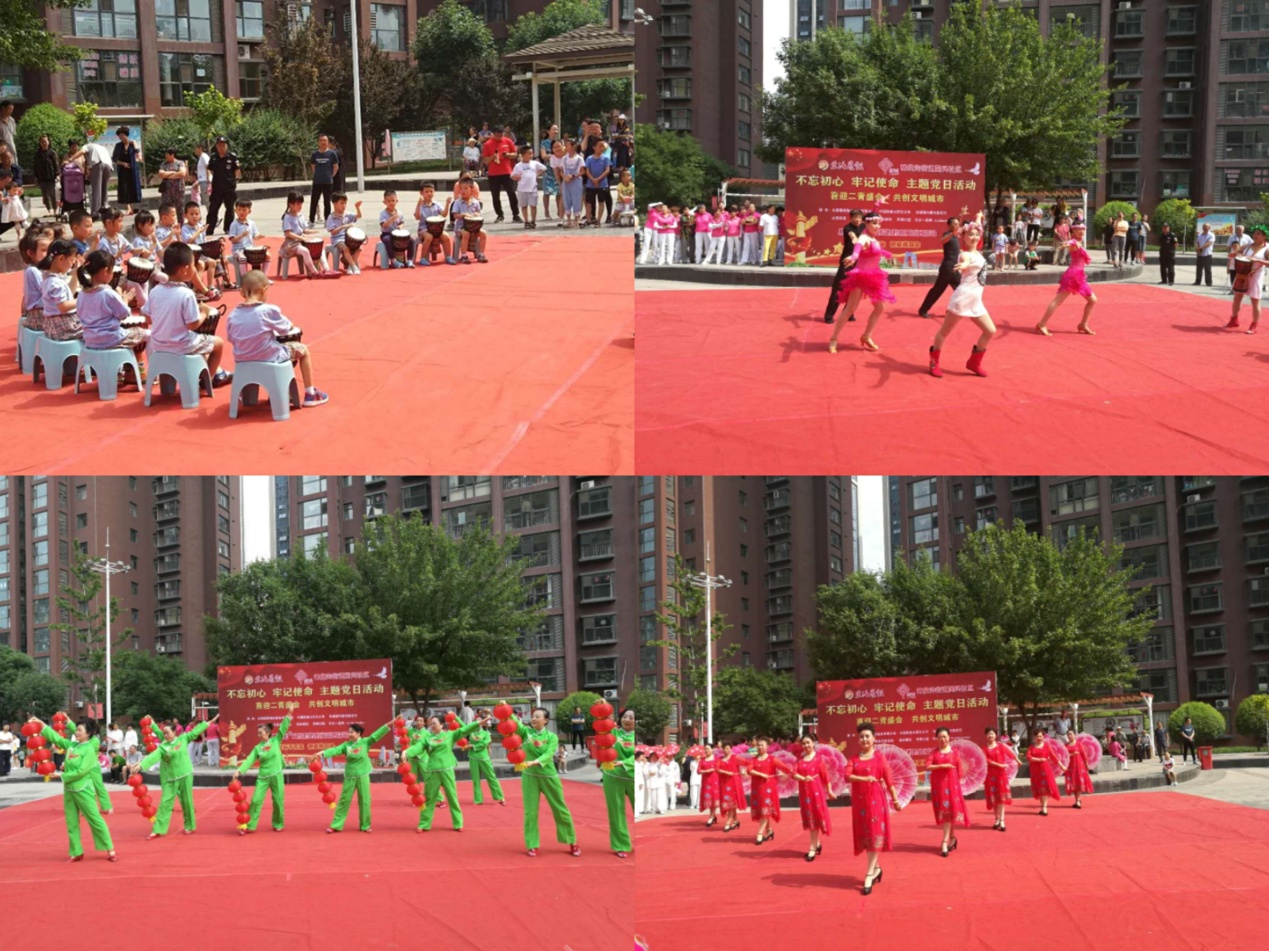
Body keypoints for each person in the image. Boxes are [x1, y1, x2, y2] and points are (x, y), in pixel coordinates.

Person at [227, 270, 330, 406]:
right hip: (269, 357)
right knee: (303, 350)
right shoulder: (268, 311)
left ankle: (245, 394)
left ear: (241, 292)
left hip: (242, 359)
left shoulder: (232, 315)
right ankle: (310, 394)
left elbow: (231, 338)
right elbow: (286, 328)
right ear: (264, 289)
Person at [28, 716, 118, 863]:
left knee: (95, 819)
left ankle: (110, 849)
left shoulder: (89, 749)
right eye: (76, 730)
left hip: (83, 789)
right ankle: (76, 852)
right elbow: (56, 739)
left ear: (88, 733)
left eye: (80, 730)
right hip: (69, 790)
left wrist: (61, 775)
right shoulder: (72, 746)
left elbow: (81, 771)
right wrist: (41, 724)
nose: (76, 732)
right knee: (71, 822)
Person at [143, 242, 232, 386]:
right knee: (218, 343)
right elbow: (192, 325)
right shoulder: (186, 294)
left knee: (197, 339)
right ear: (185, 270)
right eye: (193, 265)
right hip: (181, 345)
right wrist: (204, 312)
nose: (195, 269)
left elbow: (147, 318)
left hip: (158, 345)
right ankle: (208, 380)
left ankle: (171, 385)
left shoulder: (155, 291)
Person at [504, 708, 580, 857]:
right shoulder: (525, 732)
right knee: (530, 812)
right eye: (532, 716)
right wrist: (506, 709)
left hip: (548, 775)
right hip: (529, 776)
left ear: (545, 720)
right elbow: (513, 722)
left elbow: (549, 753)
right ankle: (532, 844)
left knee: (560, 809)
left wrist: (535, 762)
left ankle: (572, 841)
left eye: (537, 716)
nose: (533, 718)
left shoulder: (552, 737)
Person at [929, 216, 994, 379]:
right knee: (944, 332)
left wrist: (978, 217)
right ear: (963, 237)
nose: (974, 237)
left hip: (976, 301)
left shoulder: (977, 253)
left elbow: (976, 228)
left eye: (976, 234)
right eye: (970, 235)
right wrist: (963, 265)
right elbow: (965, 262)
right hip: (962, 299)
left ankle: (974, 363)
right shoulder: (965, 254)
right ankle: (934, 362)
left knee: (990, 331)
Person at [131, 715, 216, 838]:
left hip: (185, 774)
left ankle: (189, 825)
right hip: (171, 777)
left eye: (167, 733)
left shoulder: (183, 738)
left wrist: (208, 723)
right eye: (164, 733)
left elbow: (195, 732)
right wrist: (141, 764)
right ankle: (158, 829)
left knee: (187, 801)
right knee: (165, 803)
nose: (165, 735)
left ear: (175, 732)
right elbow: (153, 756)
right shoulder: (163, 746)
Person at [827, 211, 894, 354]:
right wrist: (853, 257)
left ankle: (866, 336)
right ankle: (833, 339)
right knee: (850, 309)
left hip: (873, 277)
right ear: (866, 223)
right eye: (874, 223)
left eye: (879, 224)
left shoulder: (874, 239)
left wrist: (877, 205)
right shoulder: (863, 237)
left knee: (880, 307)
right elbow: (857, 247)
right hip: (860, 277)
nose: (877, 226)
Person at [848, 721, 902, 895]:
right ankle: (877, 868)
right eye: (861, 737)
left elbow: (889, 780)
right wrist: (864, 779)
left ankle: (869, 873)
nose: (864, 739)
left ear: (874, 738)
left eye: (867, 736)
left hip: (876, 801)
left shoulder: (880, 758)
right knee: (866, 836)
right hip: (860, 803)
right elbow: (847, 775)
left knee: (874, 834)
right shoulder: (854, 759)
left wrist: (895, 800)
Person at [404, 715, 483, 832]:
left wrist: (478, 723)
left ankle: (458, 823)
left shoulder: (449, 735)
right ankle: (424, 824)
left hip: (447, 770)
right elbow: (418, 747)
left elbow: (463, 730)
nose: (432, 726)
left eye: (435, 723)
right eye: (431, 724)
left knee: (452, 797)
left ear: (441, 725)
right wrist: (407, 752)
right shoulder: (427, 738)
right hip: (432, 770)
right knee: (429, 799)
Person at [76, 250, 146, 376]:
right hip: (111, 339)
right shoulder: (108, 293)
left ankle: (120, 371)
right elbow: (124, 315)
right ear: (105, 271)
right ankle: (143, 373)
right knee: (148, 334)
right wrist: (125, 299)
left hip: (89, 340)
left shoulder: (82, 293)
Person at [318, 720, 393, 832]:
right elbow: (335, 750)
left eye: (352, 732)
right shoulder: (346, 745)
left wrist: (388, 724)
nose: (349, 734)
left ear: (358, 733)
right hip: (350, 775)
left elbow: (376, 735)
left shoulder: (365, 742)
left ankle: (365, 825)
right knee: (344, 800)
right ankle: (336, 825)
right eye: (348, 732)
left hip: (363, 774)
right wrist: (323, 753)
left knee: (365, 800)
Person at [232, 706, 296, 834]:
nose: (258, 735)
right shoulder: (258, 748)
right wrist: (239, 770)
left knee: (278, 801)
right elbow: (249, 760)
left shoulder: (276, 740)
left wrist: (289, 713)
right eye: (258, 733)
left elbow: (283, 728)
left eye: (260, 732)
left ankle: (278, 823)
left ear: (267, 733)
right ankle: (248, 825)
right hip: (263, 777)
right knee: (255, 801)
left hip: (276, 775)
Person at [1036, 222, 1097, 336]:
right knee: (1057, 301)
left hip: (1079, 276)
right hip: (1072, 276)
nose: (1081, 231)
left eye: (1083, 229)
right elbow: (1069, 242)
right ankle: (1042, 324)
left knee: (1092, 300)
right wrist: (1065, 244)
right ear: (1073, 230)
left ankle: (1083, 324)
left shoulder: (1079, 242)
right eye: (1078, 229)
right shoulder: (1073, 241)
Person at [927, 726, 969, 856]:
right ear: (936, 738)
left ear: (949, 737)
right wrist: (941, 766)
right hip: (939, 786)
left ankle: (944, 842)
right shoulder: (934, 753)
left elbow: (959, 771)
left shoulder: (955, 753)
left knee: (949, 812)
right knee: (946, 812)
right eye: (940, 737)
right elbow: (928, 766)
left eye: (945, 736)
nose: (943, 739)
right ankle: (953, 838)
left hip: (952, 786)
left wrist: (959, 785)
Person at [603, 708, 636, 858]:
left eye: (631, 717)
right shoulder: (613, 733)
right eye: (625, 716)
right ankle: (621, 845)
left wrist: (625, 762)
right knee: (616, 811)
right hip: (613, 776)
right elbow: (602, 726)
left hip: (633, 777)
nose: (627, 720)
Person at [916, 215, 961, 320]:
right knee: (937, 290)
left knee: (961, 290)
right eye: (954, 224)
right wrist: (952, 232)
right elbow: (942, 240)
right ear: (949, 226)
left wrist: (961, 215)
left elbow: (958, 224)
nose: (957, 226)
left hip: (955, 268)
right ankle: (923, 310)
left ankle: (951, 310)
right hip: (947, 269)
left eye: (957, 224)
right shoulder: (947, 234)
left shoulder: (955, 235)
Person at [1227, 226, 1269, 333]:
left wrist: (1257, 260)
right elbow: (1232, 254)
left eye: (1258, 233)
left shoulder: (1267, 248)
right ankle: (1234, 320)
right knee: (1237, 297)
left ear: (1264, 236)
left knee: (1255, 300)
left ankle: (1254, 325)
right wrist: (1234, 254)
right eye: (1254, 233)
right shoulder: (1247, 246)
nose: (1255, 235)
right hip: (1242, 275)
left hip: (1256, 276)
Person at [741, 737, 781, 846]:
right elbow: (749, 770)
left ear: (767, 747)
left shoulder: (772, 759)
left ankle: (760, 832)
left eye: (762, 745)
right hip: (757, 788)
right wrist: (761, 774)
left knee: (765, 808)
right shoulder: (753, 759)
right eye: (758, 745)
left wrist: (787, 773)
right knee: (763, 809)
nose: (760, 747)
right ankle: (769, 831)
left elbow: (784, 767)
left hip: (769, 787)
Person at [482, 125, 521, 223]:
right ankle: (499, 214)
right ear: (493, 134)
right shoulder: (487, 144)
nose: (499, 137)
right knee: (495, 195)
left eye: (500, 135)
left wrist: (508, 155)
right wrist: (493, 157)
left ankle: (515, 214)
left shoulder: (508, 141)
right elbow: (485, 160)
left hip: (507, 172)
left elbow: (515, 154)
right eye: (497, 135)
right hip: (493, 174)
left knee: (512, 193)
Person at [466, 710, 505, 806]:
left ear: (483, 723)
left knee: (491, 777)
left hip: (483, 757)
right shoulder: (470, 733)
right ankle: (478, 800)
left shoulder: (486, 733)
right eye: (476, 721)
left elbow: (485, 743)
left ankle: (500, 797)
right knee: (475, 780)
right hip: (473, 757)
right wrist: (455, 718)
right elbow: (463, 727)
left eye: (480, 721)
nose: (478, 723)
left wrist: (473, 746)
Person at [982, 727, 1017, 832]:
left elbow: (1010, 754)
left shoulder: (1001, 746)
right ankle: (996, 819)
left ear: (995, 735)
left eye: (992, 734)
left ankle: (1002, 820)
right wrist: (999, 765)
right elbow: (987, 761)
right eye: (988, 734)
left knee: (1001, 798)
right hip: (990, 776)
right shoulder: (984, 749)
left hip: (1001, 775)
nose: (990, 736)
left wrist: (1018, 760)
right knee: (994, 798)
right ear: (986, 736)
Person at [206, 136, 241, 236]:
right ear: (216, 146)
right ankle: (209, 229)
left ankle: (228, 228)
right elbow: (210, 170)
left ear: (226, 146)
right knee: (213, 209)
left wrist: (233, 181)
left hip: (229, 188)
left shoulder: (232, 157)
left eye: (223, 144)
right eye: (219, 145)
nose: (221, 146)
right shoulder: (213, 157)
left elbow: (237, 171)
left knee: (229, 208)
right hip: (217, 188)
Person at [325, 192, 363, 274]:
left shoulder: (347, 214)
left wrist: (357, 207)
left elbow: (359, 216)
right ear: (334, 204)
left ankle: (350, 267)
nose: (344, 205)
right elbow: (333, 232)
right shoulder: (331, 217)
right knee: (345, 248)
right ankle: (353, 266)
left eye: (345, 203)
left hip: (347, 238)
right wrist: (344, 226)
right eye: (341, 203)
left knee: (359, 248)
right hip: (337, 239)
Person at [511, 145, 547, 229]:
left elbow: (544, 168)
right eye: (529, 153)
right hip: (522, 189)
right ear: (523, 155)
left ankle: (533, 221)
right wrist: (516, 177)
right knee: (524, 206)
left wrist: (537, 174)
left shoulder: (534, 163)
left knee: (533, 205)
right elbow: (512, 175)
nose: (531, 155)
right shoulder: (518, 166)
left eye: (532, 153)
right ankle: (526, 221)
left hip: (532, 188)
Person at [1027, 730, 1062, 815]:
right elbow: (1028, 757)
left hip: (1045, 769)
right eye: (1038, 736)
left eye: (1041, 736)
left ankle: (1044, 807)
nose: (1039, 738)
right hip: (1035, 771)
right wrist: (1039, 759)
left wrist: (1061, 765)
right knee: (1039, 788)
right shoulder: (1032, 747)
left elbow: (1053, 756)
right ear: (1034, 737)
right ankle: (1043, 806)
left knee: (1045, 788)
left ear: (1043, 737)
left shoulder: (1046, 746)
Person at [717, 740, 747, 832]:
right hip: (724, 783)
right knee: (729, 802)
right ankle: (735, 821)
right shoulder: (720, 759)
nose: (726, 750)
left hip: (734, 782)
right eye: (724, 748)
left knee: (732, 802)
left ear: (731, 749)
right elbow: (717, 769)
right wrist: (726, 772)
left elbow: (747, 763)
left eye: (728, 748)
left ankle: (728, 821)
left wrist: (743, 770)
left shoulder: (735, 758)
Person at [309, 133, 339, 225]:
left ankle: (327, 220)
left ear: (327, 142)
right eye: (321, 140)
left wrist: (330, 176)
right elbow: (313, 166)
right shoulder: (315, 154)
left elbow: (336, 167)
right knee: (314, 201)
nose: (323, 142)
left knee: (327, 202)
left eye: (325, 140)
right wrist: (317, 174)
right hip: (317, 182)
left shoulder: (332, 154)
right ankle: (311, 220)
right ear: (318, 142)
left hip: (327, 182)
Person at [584, 139, 613, 227]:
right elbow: (587, 170)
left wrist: (598, 179)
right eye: (599, 146)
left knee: (601, 201)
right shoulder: (589, 158)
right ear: (594, 147)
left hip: (602, 184)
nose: (601, 148)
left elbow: (607, 170)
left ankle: (598, 220)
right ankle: (588, 219)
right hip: (590, 184)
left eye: (602, 146)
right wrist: (593, 179)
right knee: (588, 202)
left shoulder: (606, 158)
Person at [1063, 729, 1093, 808]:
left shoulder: (1079, 744)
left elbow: (1084, 755)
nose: (1069, 736)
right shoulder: (1066, 745)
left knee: (1078, 782)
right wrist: (1071, 754)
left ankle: (1078, 800)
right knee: (1074, 784)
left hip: (1079, 766)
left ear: (1074, 735)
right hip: (1070, 767)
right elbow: (1064, 756)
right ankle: (1077, 800)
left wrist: (1087, 765)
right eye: (1068, 734)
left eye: (1071, 734)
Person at [33, 134, 59, 216]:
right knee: (46, 194)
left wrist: (57, 174)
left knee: (53, 194)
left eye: (45, 141)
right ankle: (50, 210)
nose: (44, 143)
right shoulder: (37, 154)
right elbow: (35, 166)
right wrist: (36, 177)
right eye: (42, 142)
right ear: (40, 143)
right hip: (42, 177)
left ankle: (55, 209)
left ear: (48, 142)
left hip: (51, 177)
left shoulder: (52, 153)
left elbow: (56, 164)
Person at [698, 743, 721, 826]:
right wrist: (706, 771)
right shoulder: (702, 759)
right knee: (709, 799)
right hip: (706, 782)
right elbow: (698, 771)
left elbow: (718, 768)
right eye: (705, 749)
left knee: (714, 798)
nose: (706, 750)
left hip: (715, 781)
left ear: (712, 749)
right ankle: (713, 815)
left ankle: (711, 816)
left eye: (708, 748)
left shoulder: (716, 759)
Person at [192, 143, 210, 208]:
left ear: (200, 148)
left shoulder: (204, 156)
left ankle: (213, 214)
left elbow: (208, 167)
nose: (194, 150)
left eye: (195, 148)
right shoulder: (200, 158)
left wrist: (208, 179)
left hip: (205, 181)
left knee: (207, 200)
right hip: (202, 181)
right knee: (206, 200)